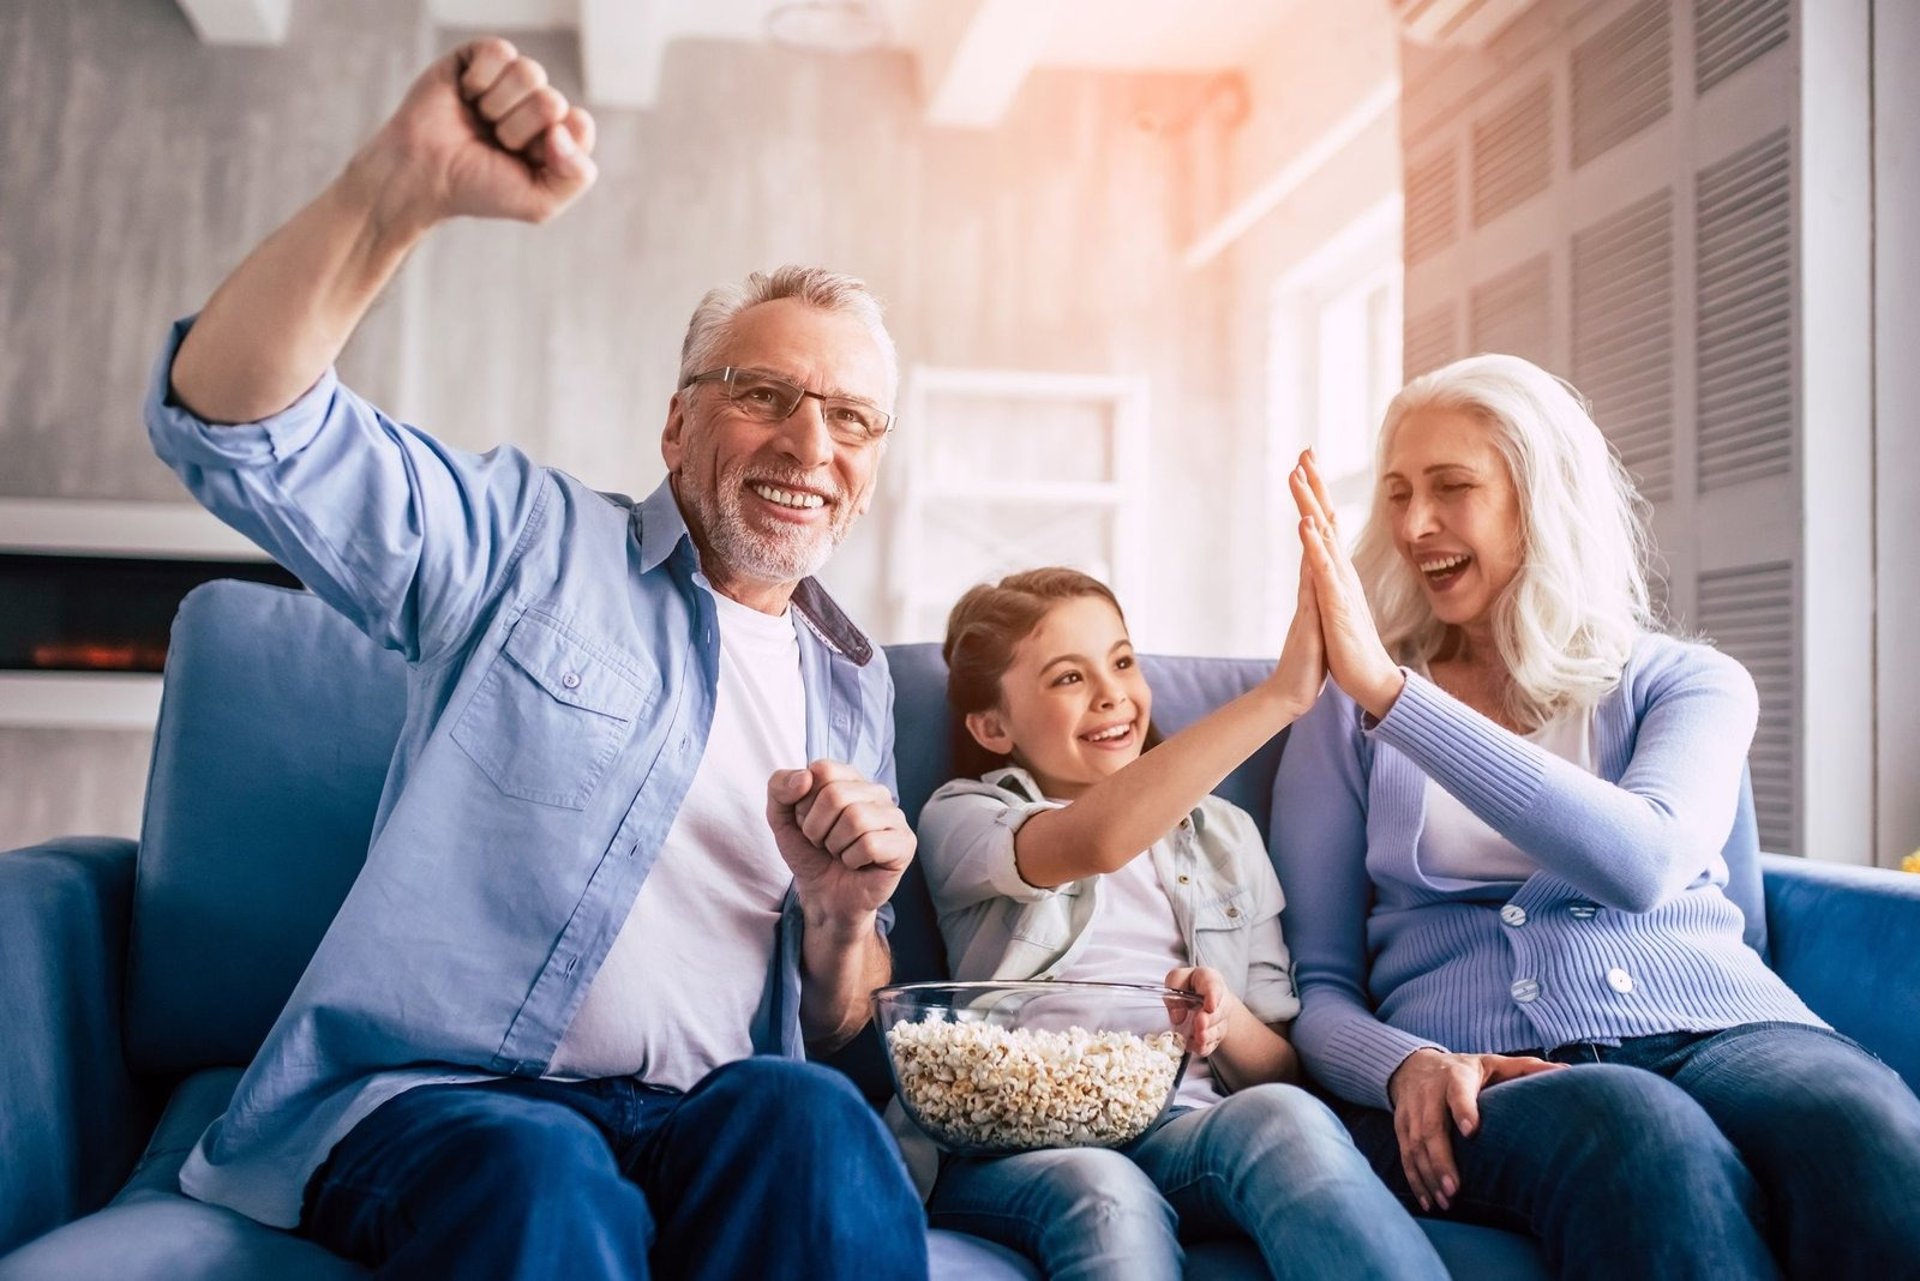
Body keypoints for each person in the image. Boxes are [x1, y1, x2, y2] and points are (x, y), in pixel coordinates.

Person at [144, 37, 927, 1280]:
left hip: (708, 1120)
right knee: (541, 1171)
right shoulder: (527, 543)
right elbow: (243, 430)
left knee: (820, 1124)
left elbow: (833, 1026)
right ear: (677, 425)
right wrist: (391, 197)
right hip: (453, 1105)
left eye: (851, 419)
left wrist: (841, 921)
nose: (807, 444)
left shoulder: (853, 683)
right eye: (762, 394)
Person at [1273, 353, 1920, 1280]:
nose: (1414, 525)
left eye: (1453, 486)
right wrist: (1403, 1062)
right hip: (1487, 1068)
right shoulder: (1346, 710)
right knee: (1636, 1136)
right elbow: (1319, 983)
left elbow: (1643, 860)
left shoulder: (1689, 682)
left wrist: (1396, 695)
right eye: (1398, 493)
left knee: (1864, 1130)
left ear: (1542, 496)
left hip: (1727, 1028)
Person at [910, 568, 1448, 1280]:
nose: (1111, 693)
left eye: (1122, 662)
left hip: (1180, 1127)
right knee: (1105, 1188)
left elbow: (1278, 1066)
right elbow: (1097, 841)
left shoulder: (1226, 834)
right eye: (1069, 677)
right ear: (992, 726)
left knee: (1286, 1117)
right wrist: (1280, 696)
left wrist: (1223, 1019)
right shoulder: (965, 817)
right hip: (1015, 1141)